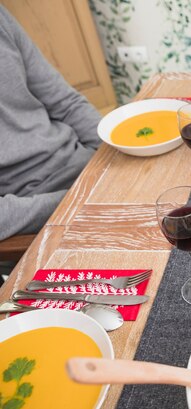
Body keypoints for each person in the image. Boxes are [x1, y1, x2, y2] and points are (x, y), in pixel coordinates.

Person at [0, 5, 102, 242]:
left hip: (86, 165)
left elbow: (65, 102)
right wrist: (77, 200)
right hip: (39, 206)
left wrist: (113, 152)